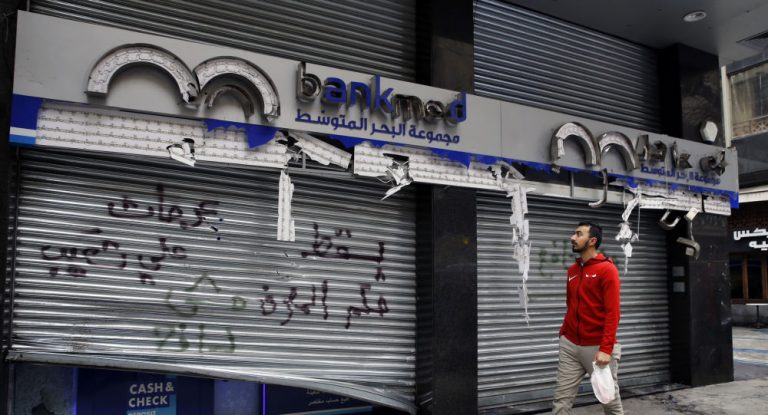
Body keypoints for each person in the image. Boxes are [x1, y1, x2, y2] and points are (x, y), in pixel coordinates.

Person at [552, 221, 623, 414]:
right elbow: (571, 305)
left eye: (578, 234)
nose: (572, 238)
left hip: (597, 347)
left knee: (610, 402)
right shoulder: (572, 271)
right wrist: (564, 333)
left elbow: (613, 313)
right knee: (561, 401)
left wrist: (606, 349)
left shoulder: (607, 270)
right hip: (570, 345)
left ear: (592, 241)